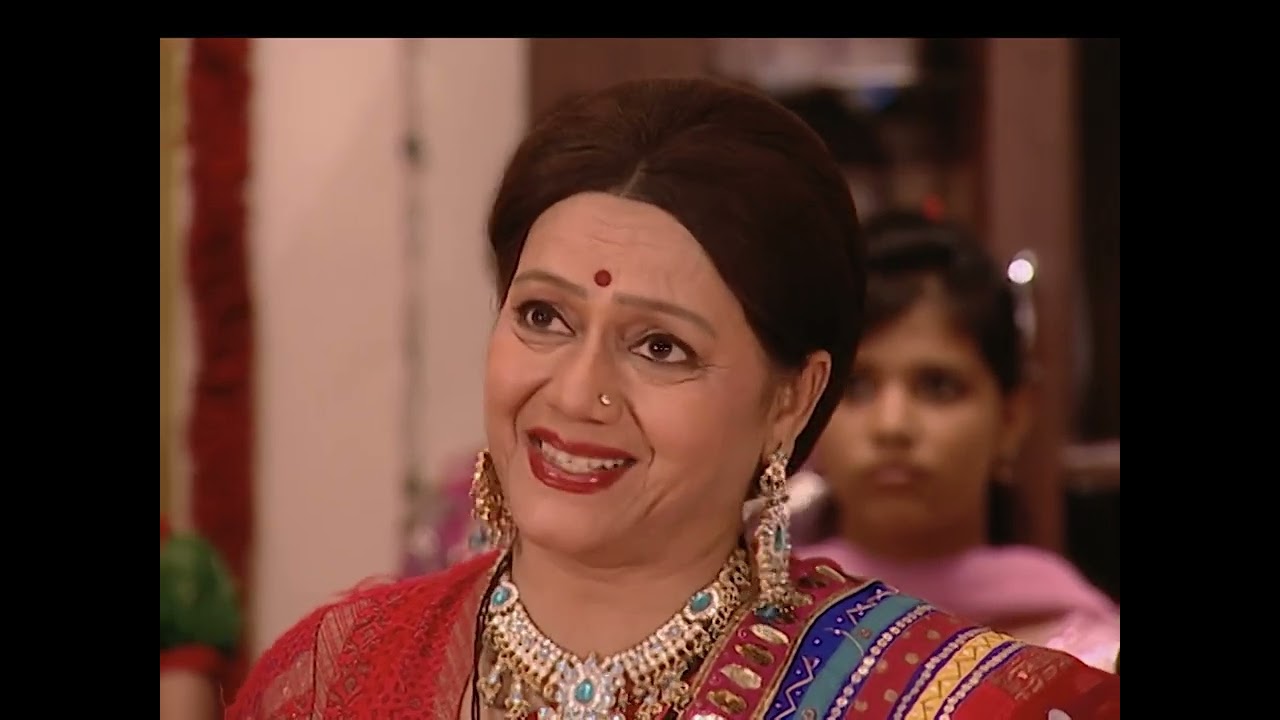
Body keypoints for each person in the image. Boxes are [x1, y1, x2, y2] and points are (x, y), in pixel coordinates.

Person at [227, 77, 1119, 720]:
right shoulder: (333, 680)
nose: (577, 391)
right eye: (542, 316)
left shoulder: (929, 698)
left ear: (792, 399)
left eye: (661, 347)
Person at [795, 209, 1121, 672]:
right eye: (857, 387)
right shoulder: (758, 640)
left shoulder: (1093, 661)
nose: (892, 425)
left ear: (1011, 418)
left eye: (937, 386)